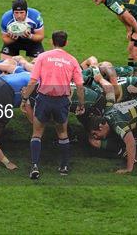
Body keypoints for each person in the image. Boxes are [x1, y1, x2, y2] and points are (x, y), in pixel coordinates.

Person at [21, 30, 85, 179]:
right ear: (66, 43)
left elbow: (32, 81)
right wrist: (81, 104)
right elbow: (80, 86)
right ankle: (64, 167)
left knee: (37, 133)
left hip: (44, 99)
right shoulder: (72, 60)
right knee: (62, 134)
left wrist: (24, 99)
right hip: (61, 101)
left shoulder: (42, 57)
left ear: (51, 42)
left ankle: (35, 166)